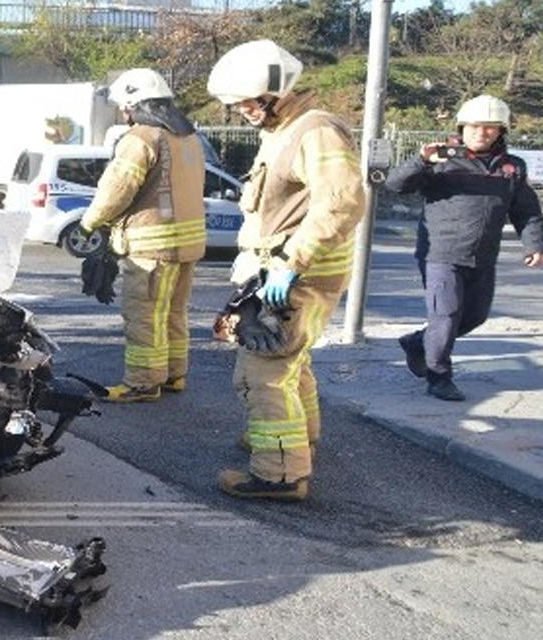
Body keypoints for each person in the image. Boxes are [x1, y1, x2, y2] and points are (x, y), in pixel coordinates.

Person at [205, 39, 364, 501]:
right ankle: (299, 443)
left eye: (246, 103)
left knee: (264, 372)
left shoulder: (314, 130)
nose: (241, 112)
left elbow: (343, 201)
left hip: (297, 276)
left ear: (273, 92)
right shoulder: (286, 130)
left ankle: (280, 473)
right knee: (292, 364)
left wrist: (291, 264)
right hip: (286, 272)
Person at [385, 95, 543, 401]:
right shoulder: (441, 160)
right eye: (474, 126)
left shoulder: (513, 168)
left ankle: (418, 343)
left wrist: (535, 245)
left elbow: (526, 210)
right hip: (440, 253)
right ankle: (439, 377)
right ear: (462, 127)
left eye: (490, 128)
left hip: (483, 256)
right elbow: (395, 184)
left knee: (474, 316)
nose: (481, 133)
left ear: (501, 131)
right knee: (445, 316)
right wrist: (420, 161)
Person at [78, 68, 207, 403]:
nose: (124, 113)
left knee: (144, 315)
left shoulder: (141, 138)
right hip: (188, 243)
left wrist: (89, 224)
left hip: (152, 247)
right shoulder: (188, 137)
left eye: (125, 106)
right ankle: (174, 374)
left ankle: (143, 383)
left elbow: (116, 190)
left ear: (135, 104)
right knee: (174, 312)